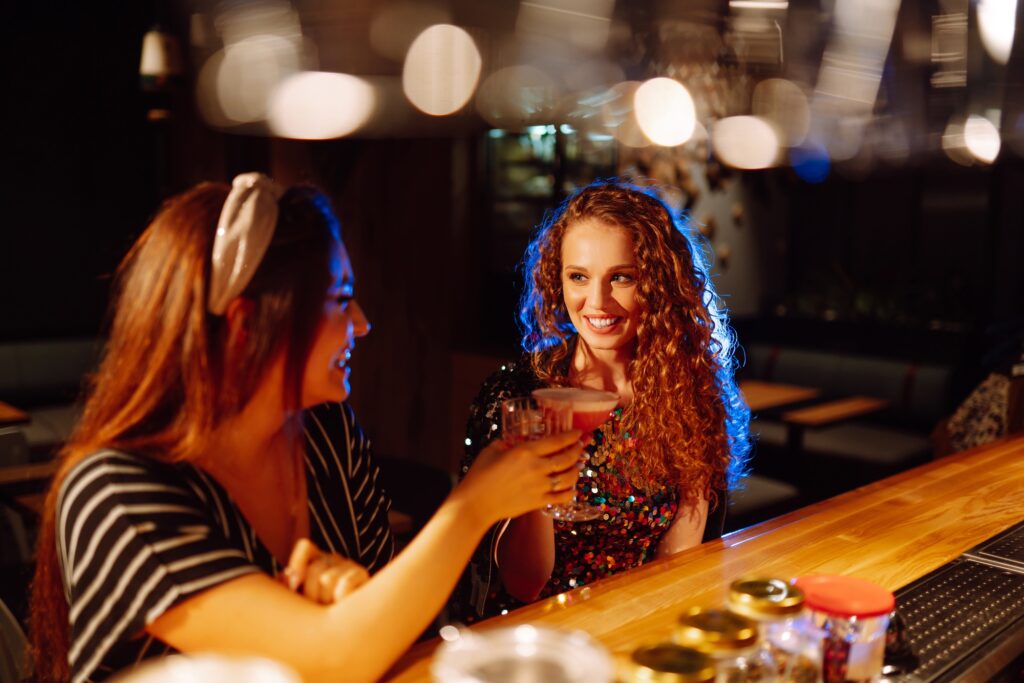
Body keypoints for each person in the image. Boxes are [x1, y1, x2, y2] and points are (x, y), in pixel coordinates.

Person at [30, 173, 584, 683]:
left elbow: (378, 636)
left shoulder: (326, 432)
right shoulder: (115, 491)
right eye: (340, 299)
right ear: (247, 325)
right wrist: (472, 507)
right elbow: (334, 655)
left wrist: (356, 600)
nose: (362, 325)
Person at [450, 180, 750, 622]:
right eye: (579, 277)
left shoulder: (689, 392)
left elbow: (680, 557)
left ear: (659, 283)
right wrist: (536, 472)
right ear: (558, 279)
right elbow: (524, 584)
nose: (596, 302)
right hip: (537, 636)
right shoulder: (519, 396)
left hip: (642, 622)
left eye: (622, 277)